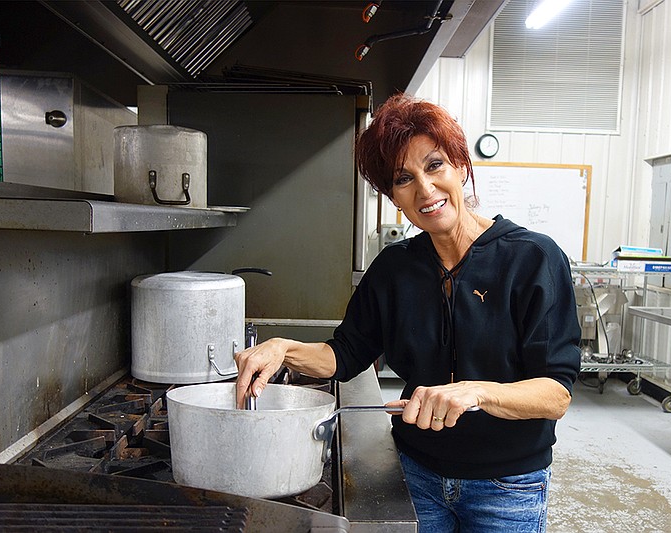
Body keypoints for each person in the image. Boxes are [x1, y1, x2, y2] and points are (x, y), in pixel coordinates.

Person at [234, 93, 581, 532]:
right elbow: (344, 354)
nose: (425, 189)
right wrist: (283, 349)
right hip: (416, 473)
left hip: (505, 486)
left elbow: (555, 395)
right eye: (403, 178)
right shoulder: (395, 268)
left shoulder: (533, 258)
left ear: (460, 164)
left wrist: (475, 392)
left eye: (434, 165)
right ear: (392, 196)